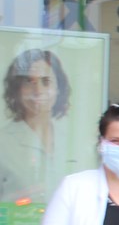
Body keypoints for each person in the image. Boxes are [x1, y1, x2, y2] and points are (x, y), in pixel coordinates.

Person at [0, 48, 82, 205]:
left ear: (59, 89)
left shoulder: (72, 140)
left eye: (46, 82)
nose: (38, 91)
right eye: (29, 82)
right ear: (17, 90)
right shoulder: (3, 142)